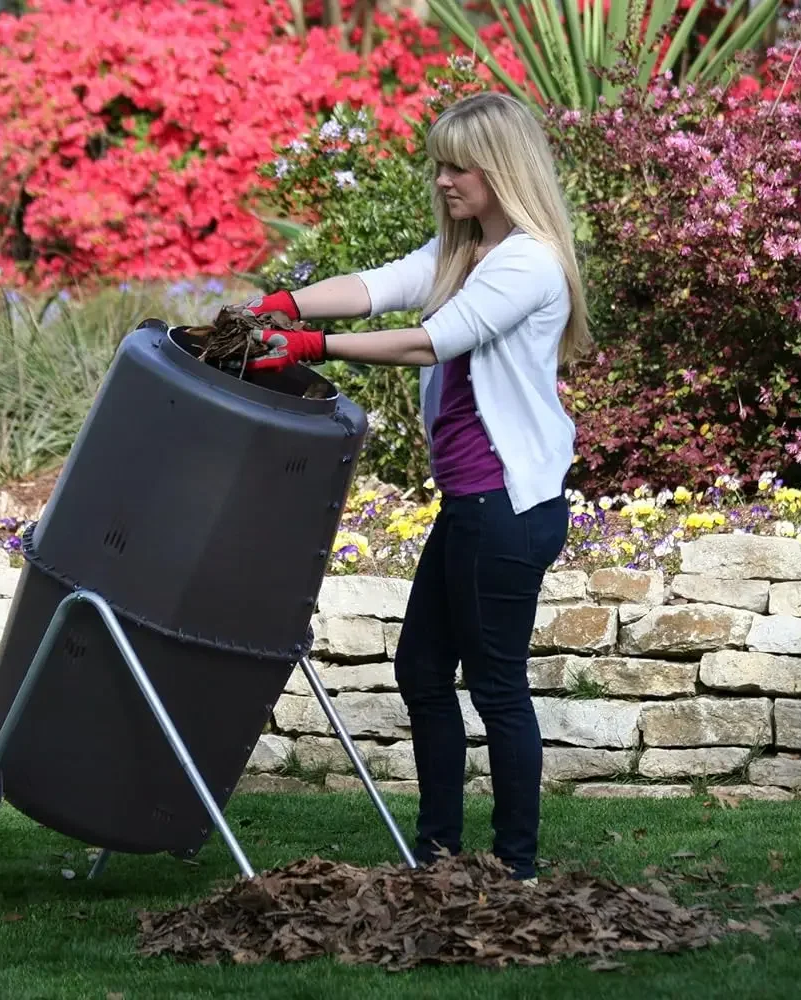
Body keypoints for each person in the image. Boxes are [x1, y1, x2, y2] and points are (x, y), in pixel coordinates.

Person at [239, 90, 592, 883]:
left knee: (496, 686)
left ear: (501, 169)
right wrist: (282, 303)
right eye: (437, 164)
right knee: (423, 672)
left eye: (457, 165)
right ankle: (438, 854)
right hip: (475, 506)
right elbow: (378, 284)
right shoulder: (467, 253)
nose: (442, 180)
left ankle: (515, 866)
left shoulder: (528, 262)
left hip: (505, 508)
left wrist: (313, 345)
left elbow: (435, 341)